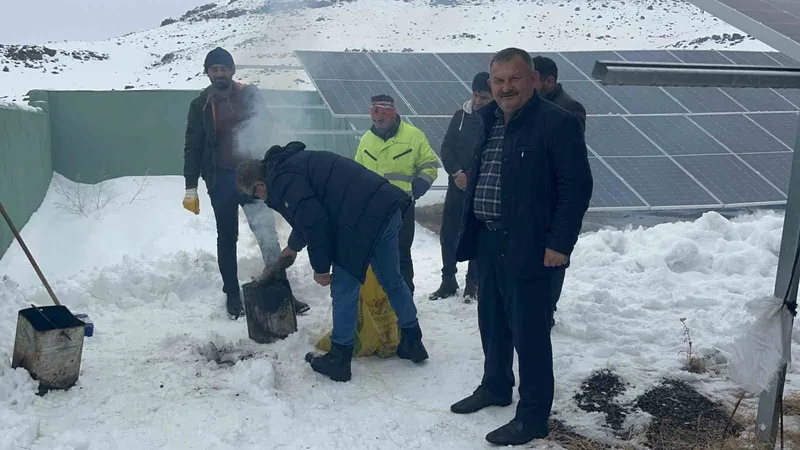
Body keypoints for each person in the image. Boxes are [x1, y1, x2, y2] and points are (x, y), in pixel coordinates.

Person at [450, 48, 593, 446]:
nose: (506, 88)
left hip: (531, 244)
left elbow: (576, 187)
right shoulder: (486, 120)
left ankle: (532, 417)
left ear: (532, 79)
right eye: (498, 81)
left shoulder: (557, 123)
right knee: (492, 321)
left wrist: (559, 243)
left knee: (530, 334)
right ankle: (495, 386)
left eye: (514, 79)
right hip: (488, 239)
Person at [234, 141, 429, 382]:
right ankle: (413, 341)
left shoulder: (282, 181)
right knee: (392, 280)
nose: (262, 200)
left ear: (260, 185)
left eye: (256, 195)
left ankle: (339, 359)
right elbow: (308, 214)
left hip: (359, 220)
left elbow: (316, 224)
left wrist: (321, 269)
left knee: (344, 289)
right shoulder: (289, 165)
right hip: (386, 208)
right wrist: (292, 248)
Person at [181, 46, 310, 319]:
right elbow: (193, 146)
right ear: (207, 73)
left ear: (232, 70)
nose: (219, 74)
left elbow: (267, 126)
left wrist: (275, 166)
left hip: (254, 178)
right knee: (227, 236)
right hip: (221, 180)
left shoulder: (249, 94)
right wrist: (190, 186)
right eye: (213, 69)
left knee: (267, 234)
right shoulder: (200, 105)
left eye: (223, 68)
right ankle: (231, 294)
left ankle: (281, 290)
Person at [354, 95, 440, 295]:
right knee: (376, 255)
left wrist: (420, 186)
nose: (378, 123)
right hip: (374, 210)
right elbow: (357, 173)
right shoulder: (366, 140)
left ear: (392, 114)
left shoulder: (413, 136)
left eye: (381, 119)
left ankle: (405, 299)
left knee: (401, 255)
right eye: (374, 120)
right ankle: (381, 300)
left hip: (402, 208)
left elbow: (429, 164)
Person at [532, 55, 588, 328]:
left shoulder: (569, 109)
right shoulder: (526, 107)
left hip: (552, 201)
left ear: (549, 81)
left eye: (532, 80)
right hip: (531, 201)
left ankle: (546, 312)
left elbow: (570, 167)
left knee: (552, 261)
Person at [429, 72, 493, 303]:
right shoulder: (460, 117)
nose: (478, 101)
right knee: (448, 234)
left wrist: (473, 178)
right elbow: (446, 148)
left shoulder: (496, 120)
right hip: (457, 185)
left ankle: (473, 283)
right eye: (476, 95)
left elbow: (492, 155)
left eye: (484, 97)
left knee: (476, 234)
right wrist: (457, 173)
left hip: (481, 189)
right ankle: (448, 280)